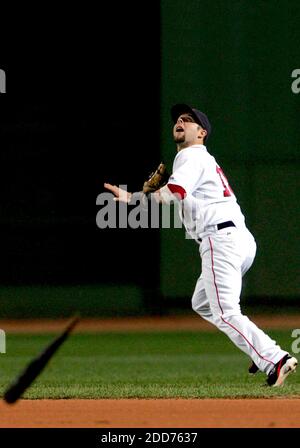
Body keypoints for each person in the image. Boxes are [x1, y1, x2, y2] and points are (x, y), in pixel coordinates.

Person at [104, 103, 298, 387]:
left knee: (225, 311)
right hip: (240, 240)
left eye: (189, 120)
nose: (180, 122)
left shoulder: (190, 155)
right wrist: (154, 191)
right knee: (203, 302)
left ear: (202, 132)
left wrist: (135, 198)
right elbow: (181, 194)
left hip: (220, 239)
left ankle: (275, 358)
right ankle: (260, 352)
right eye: (178, 120)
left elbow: (177, 191)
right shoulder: (200, 160)